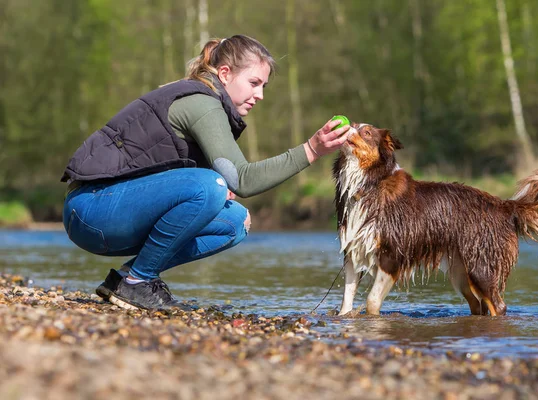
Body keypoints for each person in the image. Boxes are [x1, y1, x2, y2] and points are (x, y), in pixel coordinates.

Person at [61, 34, 350, 311]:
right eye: (254, 83)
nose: (259, 95)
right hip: (90, 209)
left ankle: (129, 277)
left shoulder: (207, 100)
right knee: (210, 185)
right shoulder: (203, 104)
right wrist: (311, 150)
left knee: (235, 222)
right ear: (225, 74)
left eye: (263, 86)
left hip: (106, 213)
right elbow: (243, 179)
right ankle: (140, 281)